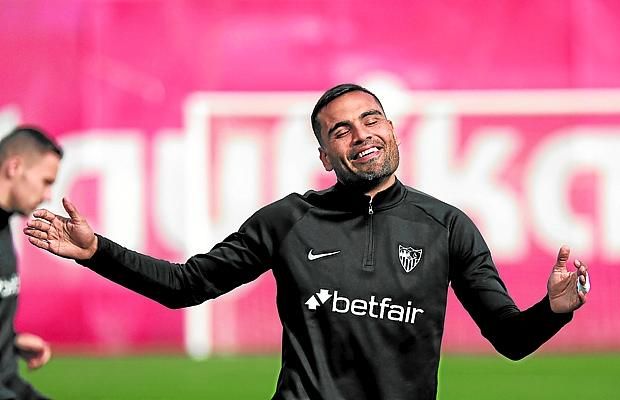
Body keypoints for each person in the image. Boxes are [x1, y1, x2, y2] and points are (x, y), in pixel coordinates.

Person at [23, 84, 589, 400]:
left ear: (392, 130)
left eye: (371, 120)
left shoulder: (447, 226)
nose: (361, 135)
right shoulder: (289, 220)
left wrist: (554, 310)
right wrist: (97, 252)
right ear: (324, 155)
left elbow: (510, 339)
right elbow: (186, 286)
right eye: (341, 130)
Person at [0, 125, 62, 400]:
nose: (48, 195)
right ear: (14, 167)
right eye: (46, 182)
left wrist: (10, 342)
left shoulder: (5, 225)